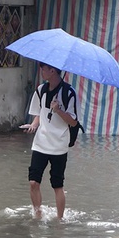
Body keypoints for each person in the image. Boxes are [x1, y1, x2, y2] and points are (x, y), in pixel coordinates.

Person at [22, 64, 81, 220]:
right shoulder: (41, 90)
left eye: (44, 69)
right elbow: (38, 114)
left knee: (57, 185)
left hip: (59, 145)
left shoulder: (69, 93)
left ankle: (60, 219)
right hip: (41, 143)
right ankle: (37, 214)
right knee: (33, 182)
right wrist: (34, 125)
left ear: (52, 71)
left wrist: (59, 110)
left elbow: (74, 122)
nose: (41, 71)